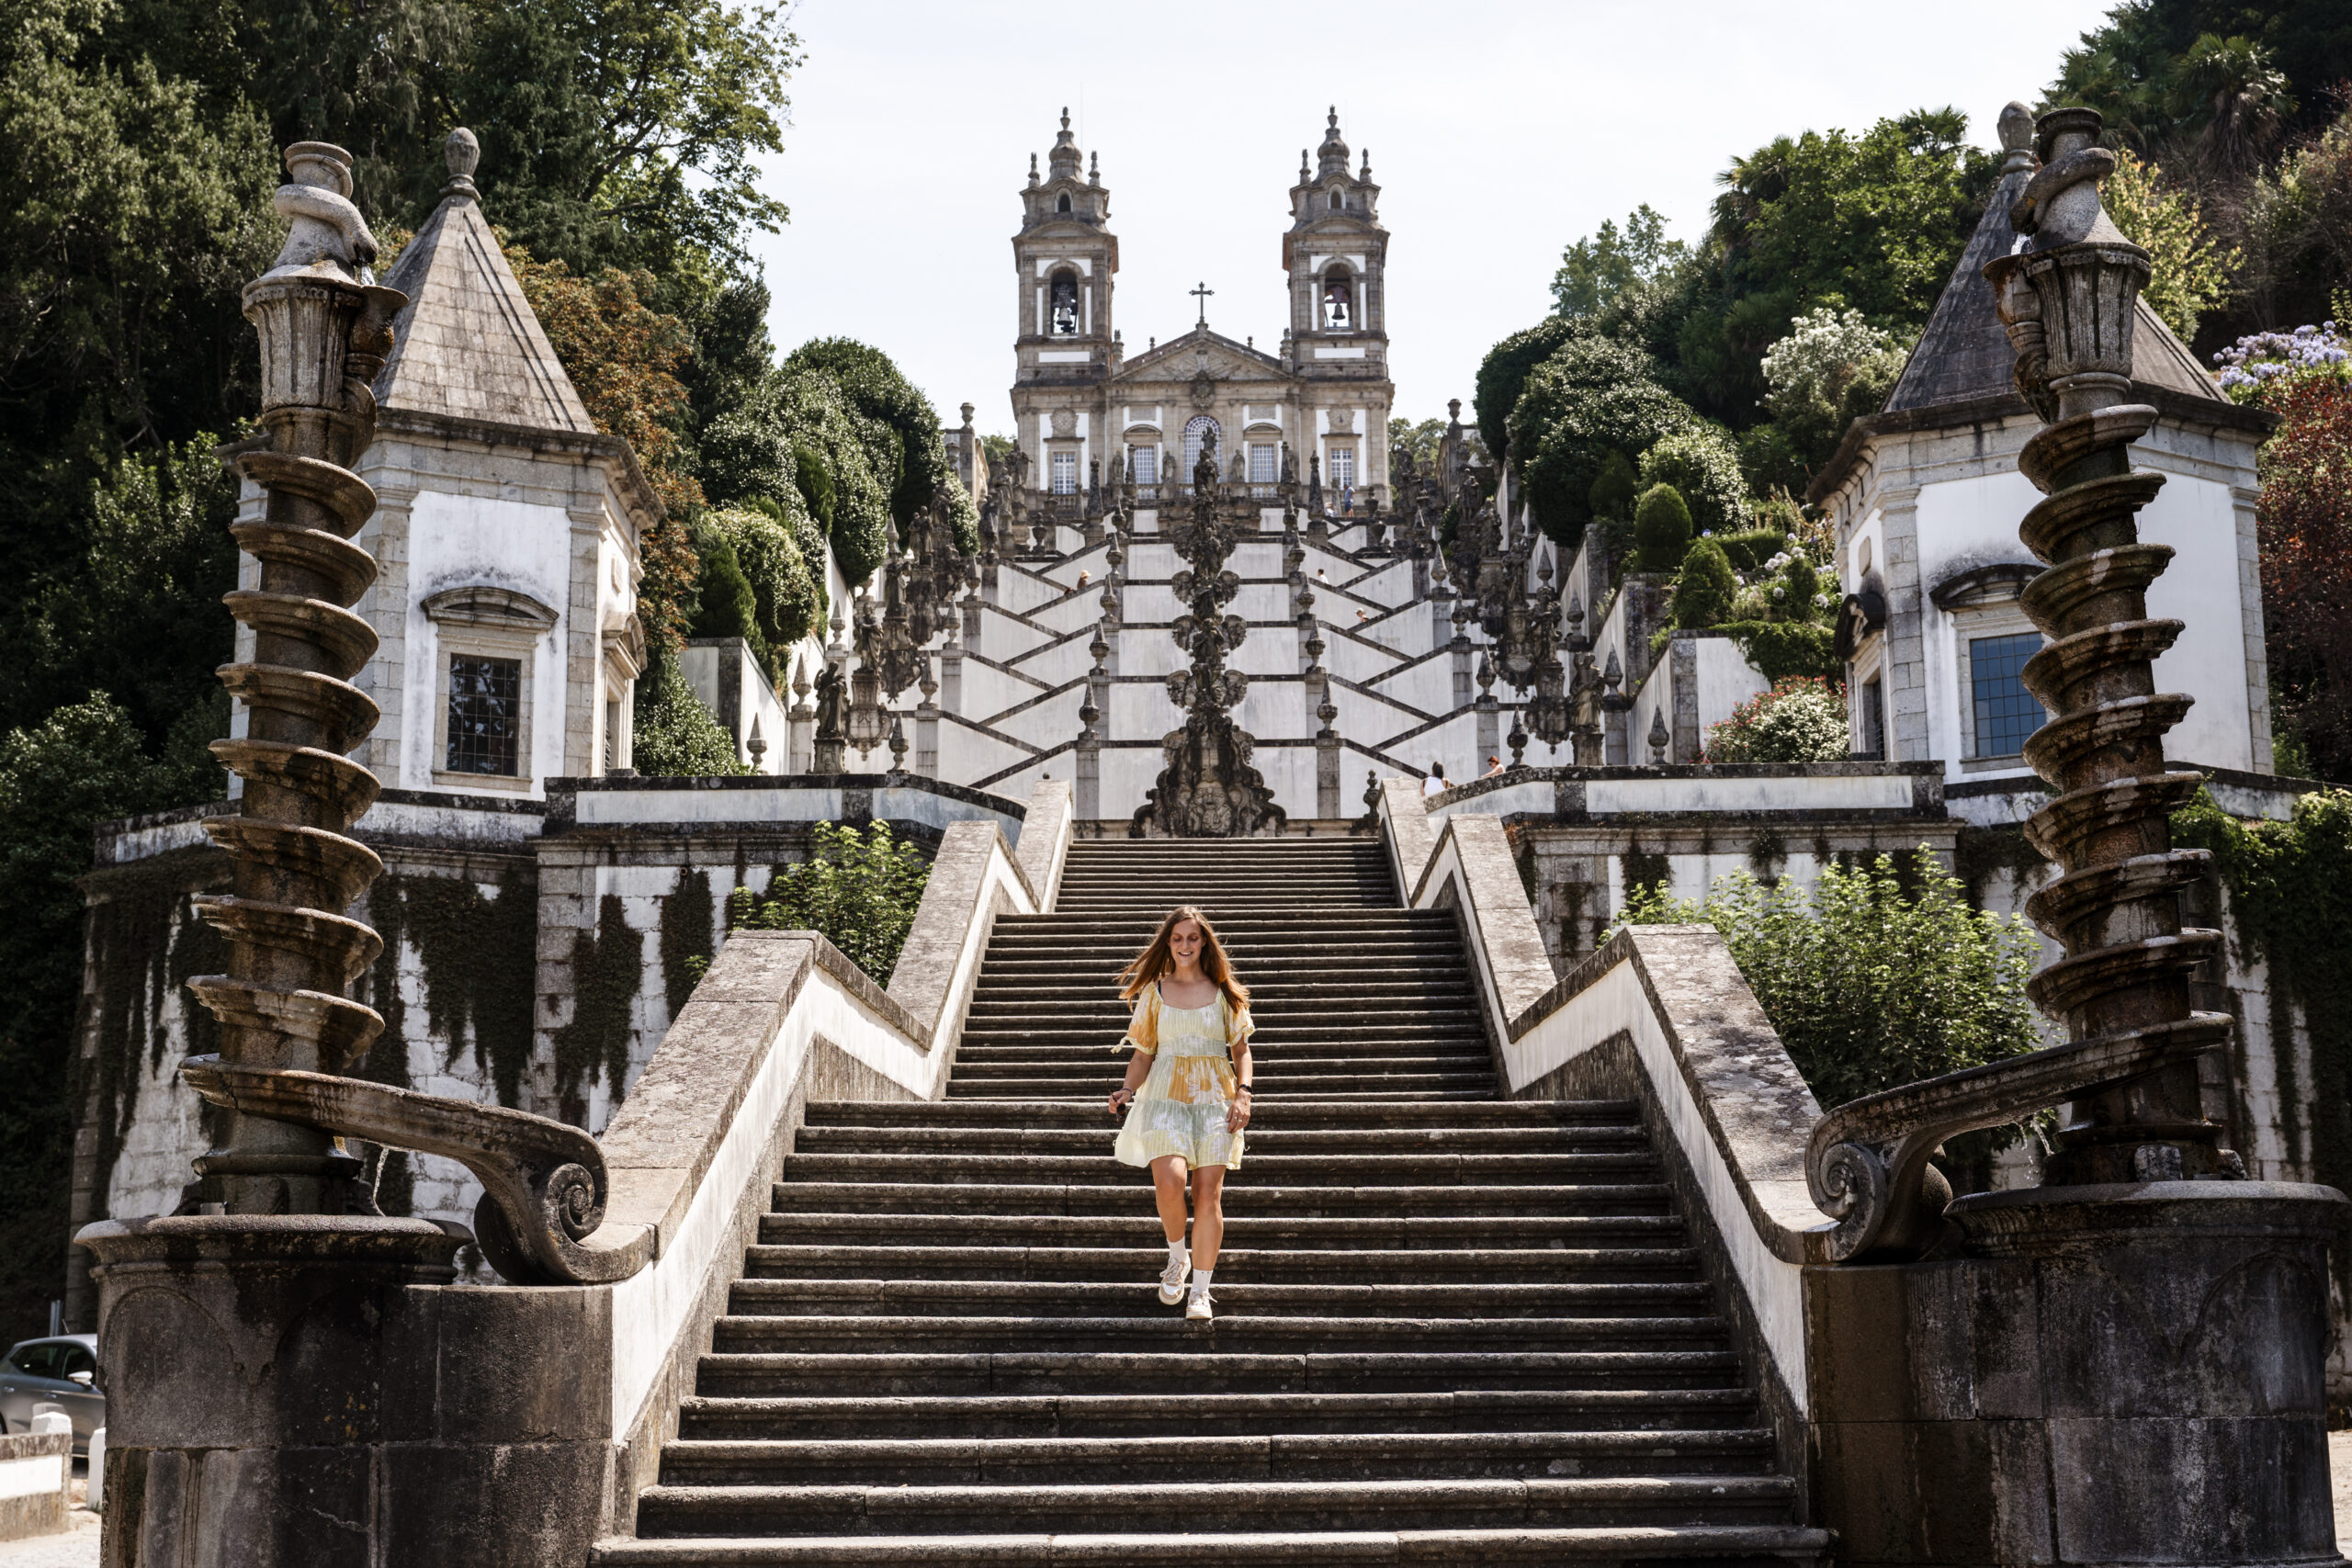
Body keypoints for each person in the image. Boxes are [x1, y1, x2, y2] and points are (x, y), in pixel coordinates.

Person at [1106, 906, 1255, 1321]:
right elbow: (1143, 1054)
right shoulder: (1154, 993)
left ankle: (1201, 1292)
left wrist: (1243, 1094)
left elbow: (1241, 1051)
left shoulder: (1225, 991)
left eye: (1192, 937)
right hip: (1165, 1096)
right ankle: (1178, 1258)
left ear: (1204, 941)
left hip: (1214, 1098)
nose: (1185, 945)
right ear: (1167, 944)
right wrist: (1127, 1088)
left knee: (1208, 1196)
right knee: (1169, 1182)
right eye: (1177, 938)